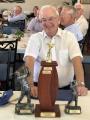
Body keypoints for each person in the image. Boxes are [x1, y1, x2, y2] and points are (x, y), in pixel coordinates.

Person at [24, 5, 88, 97]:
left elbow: (77, 61)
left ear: (58, 20)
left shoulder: (69, 37)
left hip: (64, 89)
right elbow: (29, 61)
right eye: (44, 20)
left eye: (51, 19)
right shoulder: (35, 38)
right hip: (37, 88)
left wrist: (80, 84)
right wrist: (30, 85)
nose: (47, 23)